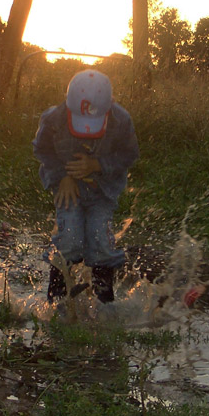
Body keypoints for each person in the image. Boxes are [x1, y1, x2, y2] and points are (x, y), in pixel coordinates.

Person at [32, 69, 139, 304]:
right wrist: (62, 177)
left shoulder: (122, 121)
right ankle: (58, 299)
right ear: (67, 102)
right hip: (69, 190)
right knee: (69, 238)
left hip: (103, 191)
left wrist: (98, 164)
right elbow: (43, 149)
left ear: (110, 105)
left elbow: (130, 154)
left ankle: (104, 300)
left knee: (100, 238)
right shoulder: (53, 119)